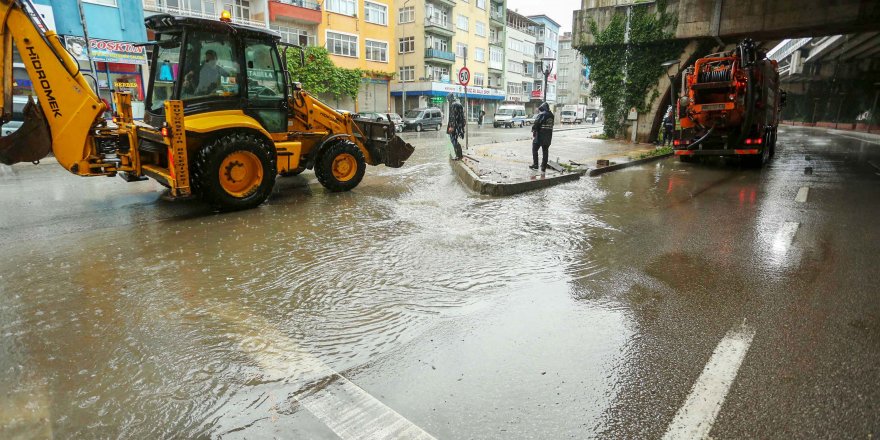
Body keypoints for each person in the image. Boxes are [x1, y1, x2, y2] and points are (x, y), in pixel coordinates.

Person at [530, 102, 554, 172]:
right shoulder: (552, 115)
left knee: (535, 149)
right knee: (545, 151)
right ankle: (543, 167)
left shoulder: (542, 114)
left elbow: (536, 123)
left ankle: (535, 164)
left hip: (540, 135)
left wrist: (534, 130)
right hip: (548, 136)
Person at [447, 93, 466, 159]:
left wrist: (452, 127)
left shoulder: (453, 105)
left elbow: (453, 117)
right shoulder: (458, 104)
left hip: (455, 126)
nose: (448, 100)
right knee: (455, 139)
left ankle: (458, 155)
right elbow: (461, 116)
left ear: (450, 98)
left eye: (448, 98)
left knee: (453, 140)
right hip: (459, 125)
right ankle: (459, 154)